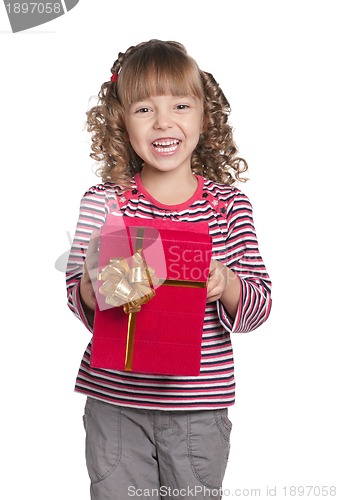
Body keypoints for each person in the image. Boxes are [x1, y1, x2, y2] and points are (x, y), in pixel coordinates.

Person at [66, 39, 272, 500]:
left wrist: (227, 283)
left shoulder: (228, 206)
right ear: (121, 120)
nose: (164, 121)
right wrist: (95, 281)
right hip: (116, 407)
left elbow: (259, 306)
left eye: (180, 104)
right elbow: (79, 299)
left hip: (197, 411)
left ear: (204, 116)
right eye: (144, 109)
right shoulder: (105, 202)